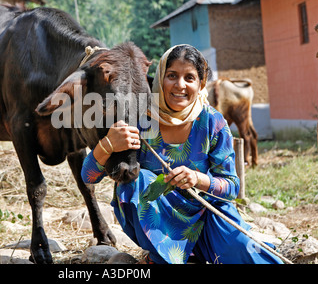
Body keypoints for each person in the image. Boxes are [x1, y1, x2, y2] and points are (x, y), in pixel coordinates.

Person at [81, 44, 283, 264]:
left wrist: (198, 179)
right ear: (159, 78)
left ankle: (192, 253)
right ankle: (163, 255)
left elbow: (232, 187)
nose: (180, 85)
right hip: (161, 224)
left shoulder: (212, 122)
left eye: (189, 78)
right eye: (172, 76)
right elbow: (88, 177)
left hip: (207, 217)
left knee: (247, 251)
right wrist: (108, 144)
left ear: (201, 83)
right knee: (134, 182)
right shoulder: (141, 118)